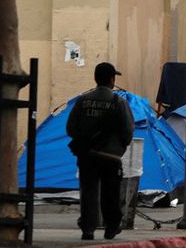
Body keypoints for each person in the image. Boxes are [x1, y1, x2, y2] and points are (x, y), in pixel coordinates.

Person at [66, 62, 134, 241]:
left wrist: (85, 142)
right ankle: (111, 227)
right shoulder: (118, 102)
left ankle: (88, 228)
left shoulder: (83, 100)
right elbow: (127, 130)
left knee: (88, 191)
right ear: (112, 79)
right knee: (110, 192)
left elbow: (70, 128)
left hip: (87, 155)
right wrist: (121, 147)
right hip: (111, 156)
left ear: (95, 78)